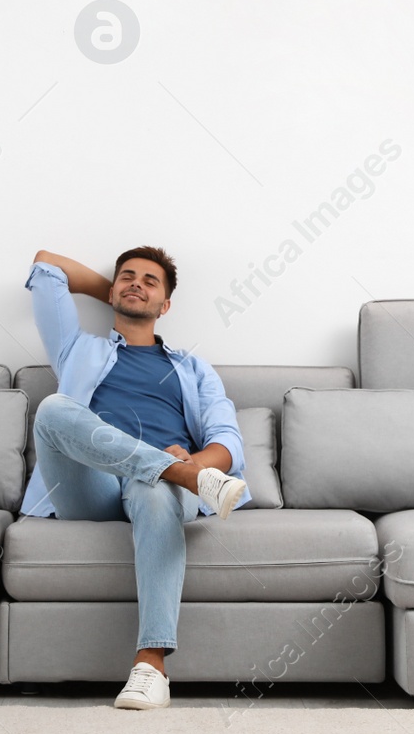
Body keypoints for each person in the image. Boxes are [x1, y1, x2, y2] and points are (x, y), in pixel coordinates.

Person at [21, 246, 250, 710]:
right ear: (112, 290)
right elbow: (47, 265)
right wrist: (188, 472)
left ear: (165, 306)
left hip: (161, 490)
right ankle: (176, 473)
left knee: (155, 490)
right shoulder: (78, 348)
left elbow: (228, 443)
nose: (136, 284)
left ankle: (151, 667)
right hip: (91, 483)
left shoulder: (192, 368)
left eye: (150, 282)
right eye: (127, 277)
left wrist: (198, 462)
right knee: (51, 409)